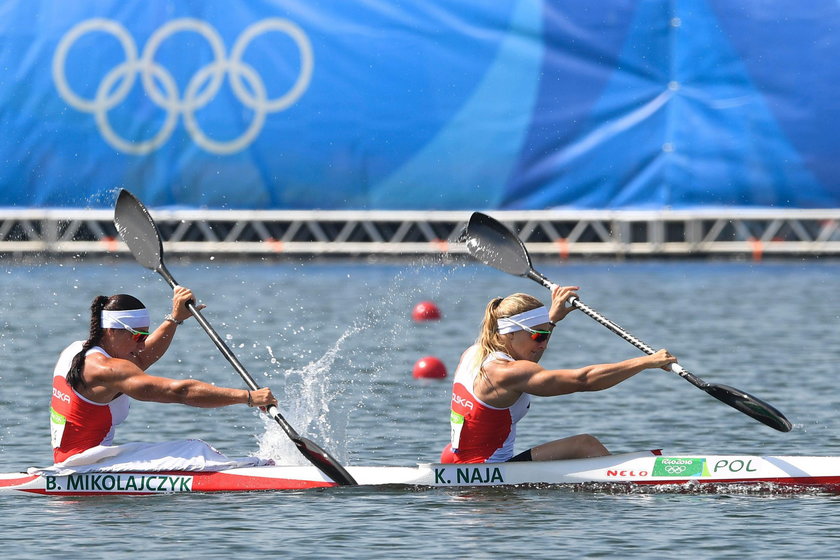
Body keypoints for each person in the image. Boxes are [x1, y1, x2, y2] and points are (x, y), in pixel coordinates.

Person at [440, 286, 677, 464]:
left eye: (545, 334)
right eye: (538, 335)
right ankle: (629, 493)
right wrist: (646, 361)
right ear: (510, 334)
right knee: (585, 445)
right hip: (489, 473)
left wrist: (551, 320)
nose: (543, 344)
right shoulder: (506, 373)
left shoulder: (474, 353)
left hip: (458, 461)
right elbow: (582, 381)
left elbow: (529, 355)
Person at [49, 286, 277, 464]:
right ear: (111, 331)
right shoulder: (106, 369)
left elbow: (141, 358)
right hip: (84, 467)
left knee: (193, 451)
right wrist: (247, 397)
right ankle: (265, 468)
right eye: (138, 336)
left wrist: (175, 318)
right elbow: (179, 392)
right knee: (195, 452)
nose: (141, 346)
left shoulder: (78, 351)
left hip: (81, 461)